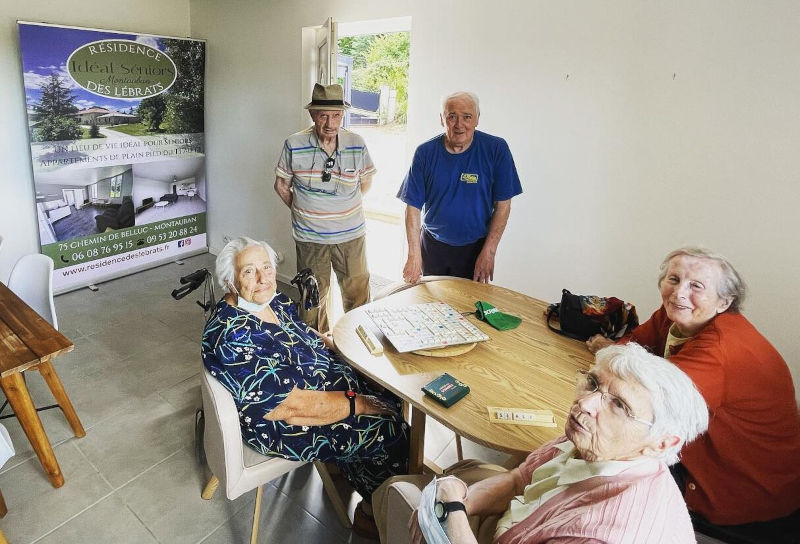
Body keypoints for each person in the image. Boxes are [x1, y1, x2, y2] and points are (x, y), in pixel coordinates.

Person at [374, 343, 709, 544]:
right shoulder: (597, 440)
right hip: (518, 523)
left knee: (398, 492)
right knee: (457, 475)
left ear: (661, 443)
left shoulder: (598, 534)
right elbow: (520, 479)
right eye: (593, 383)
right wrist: (463, 503)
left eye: (619, 405)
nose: (586, 403)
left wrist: (450, 505)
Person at [201, 237, 408, 537]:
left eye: (266, 267)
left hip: (318, 390)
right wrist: (359, 403)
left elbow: (301, 333)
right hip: (286, 422)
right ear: (229, 282)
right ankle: (371, 512)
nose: (262, 278)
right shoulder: (233, 336)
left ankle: (355, 469)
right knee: (389, 427)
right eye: (248, 271)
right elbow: (290, 406)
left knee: (389, 391)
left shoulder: (271, 301)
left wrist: (332, 344)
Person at [587, 246, 800, 534]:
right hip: (697, 455)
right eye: (674, 279)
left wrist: (612, 357)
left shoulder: (719, 349)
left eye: (696, 286)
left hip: (739, 492)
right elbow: (630, 348)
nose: (679, 293)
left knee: (596, 459)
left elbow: (639, 404)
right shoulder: (677, 316)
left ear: (724, 302)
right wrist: (616, 356)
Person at [274, 83, 375, 332]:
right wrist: (304, 212)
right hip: (310, 239)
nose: (330, 123)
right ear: (312, 115)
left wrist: (341, 210)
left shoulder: (356, 143)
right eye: (323, 116)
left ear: (342, 115)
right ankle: (316, 348)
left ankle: (357, 346)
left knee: (358, 297)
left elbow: (365, 182)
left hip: (351, 237)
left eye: (336, 116)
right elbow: (281, 185)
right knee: (311, 300)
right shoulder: (294, 143)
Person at [397, 91, 523, 285]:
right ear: (442, 119)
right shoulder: (425, 153)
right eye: (452, 116)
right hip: (432, 246)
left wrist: (489, 252)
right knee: (432, 301)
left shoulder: (496, 149)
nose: (459, 124)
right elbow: (412, 207)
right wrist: (414, 255)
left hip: (475, 248)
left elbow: (503, 205)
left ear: (477, 119)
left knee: (470, 302)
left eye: (467, 117)